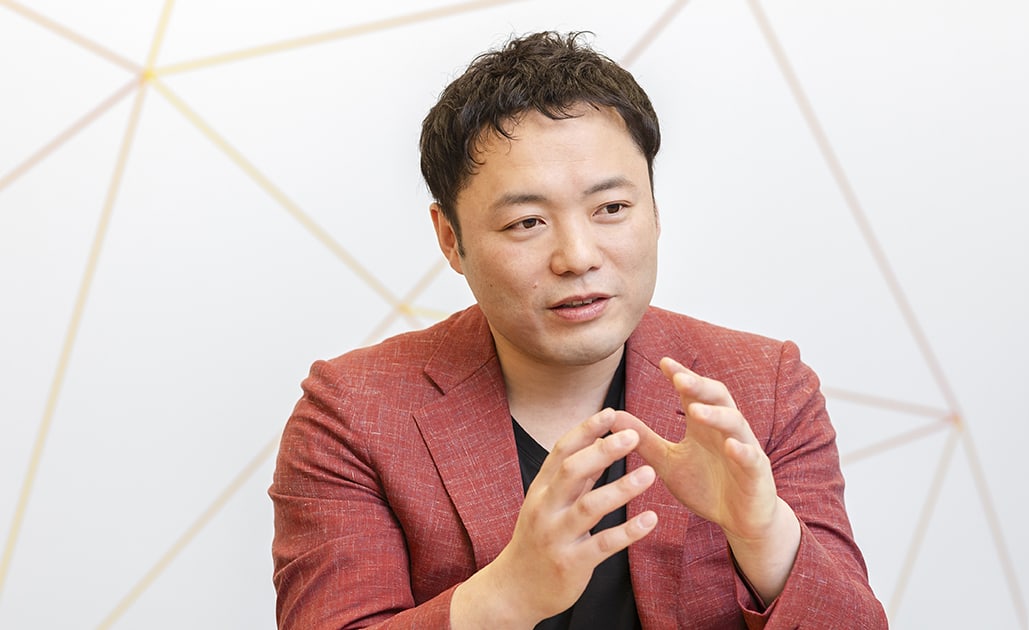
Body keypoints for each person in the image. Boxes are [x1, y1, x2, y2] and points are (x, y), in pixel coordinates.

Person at [270, 31, 887, 629]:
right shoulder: (354, 413)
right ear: (450, 238)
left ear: (655, 211)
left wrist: (763, 534)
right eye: (527, 222)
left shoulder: (764, 387)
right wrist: (504, 598)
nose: (578, 256)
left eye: (611, 209)